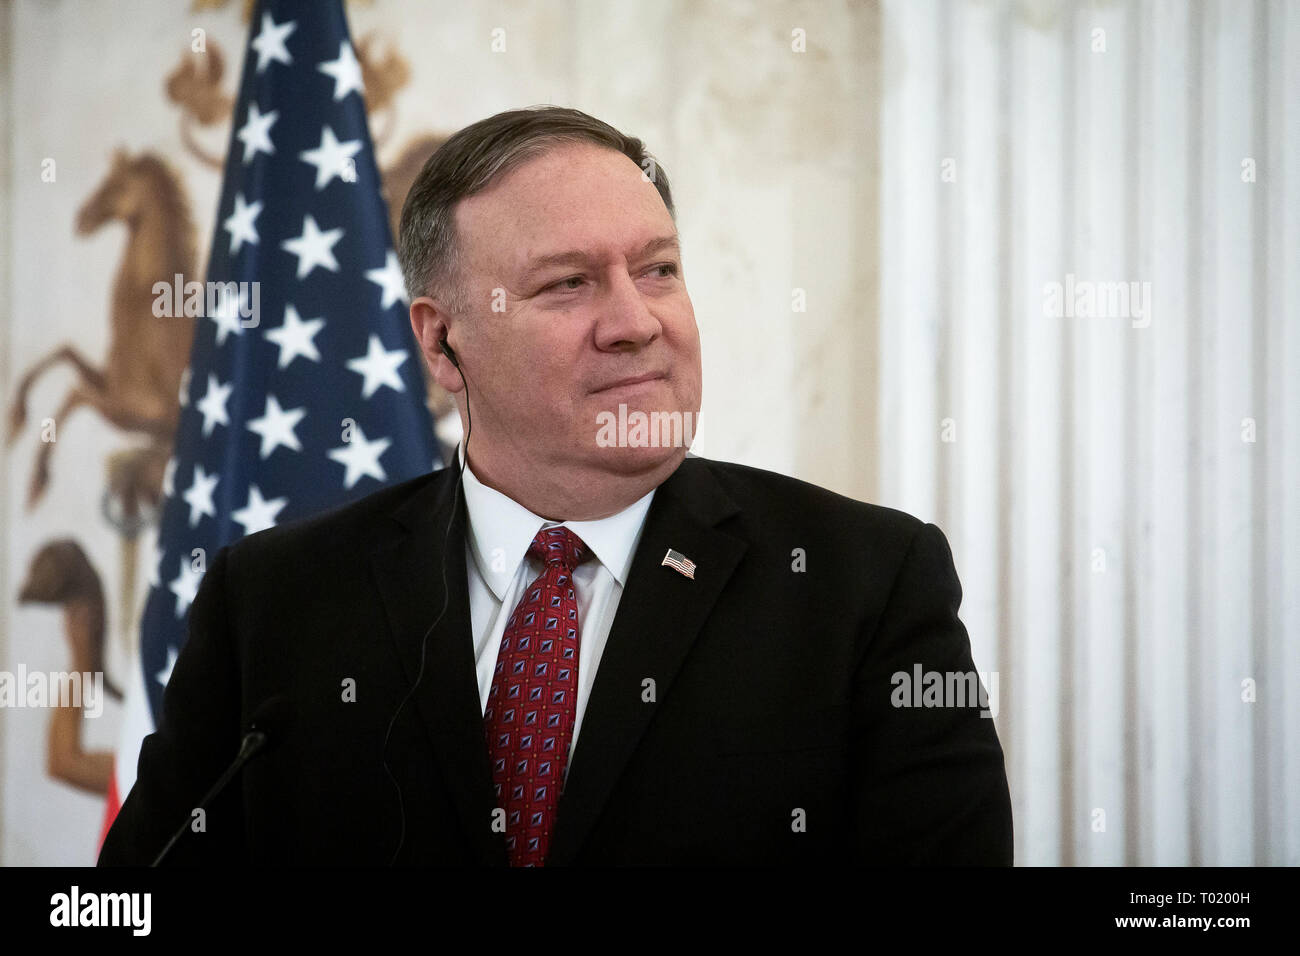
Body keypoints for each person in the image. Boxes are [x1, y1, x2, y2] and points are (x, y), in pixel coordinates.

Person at [99, 106, 1012, 866]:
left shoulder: (866, 584)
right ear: (439, 341)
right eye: (568, 284)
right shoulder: (274, 600)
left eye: (658, 269)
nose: (635, 322)